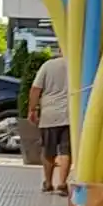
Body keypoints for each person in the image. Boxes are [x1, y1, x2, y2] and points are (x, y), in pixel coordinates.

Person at [30, 52, 71, 195]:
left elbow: (36, 89)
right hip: (69, 114)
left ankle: (48, 183)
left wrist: (32, 109)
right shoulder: (76, 66)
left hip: (50, 115)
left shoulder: (48, 65)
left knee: (48, 150)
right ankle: (62, 183)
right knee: (66, 151)